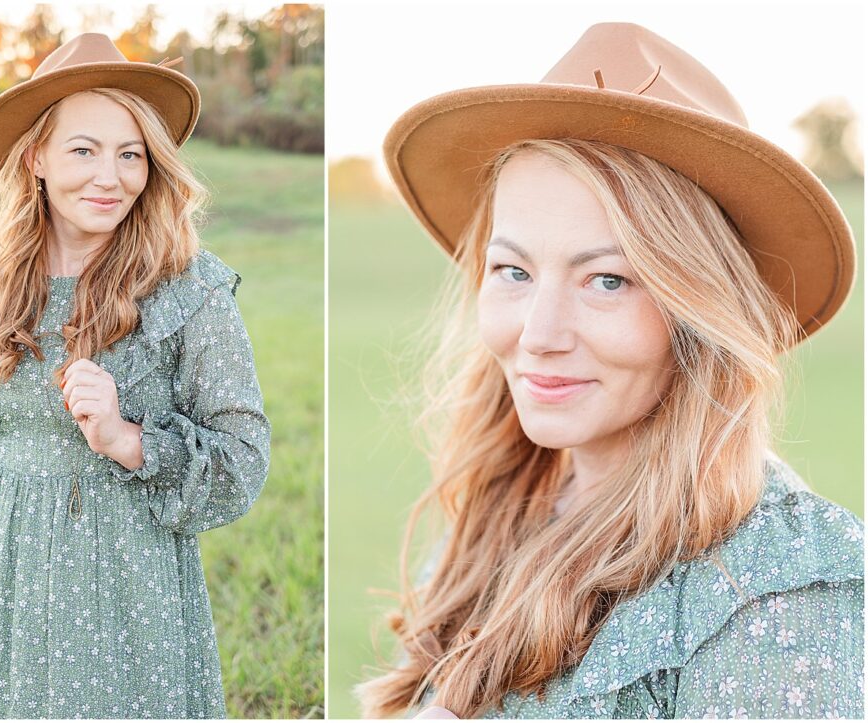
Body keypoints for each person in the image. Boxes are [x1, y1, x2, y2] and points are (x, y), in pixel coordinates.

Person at [358, 22, 863, 719]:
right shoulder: (497, 513)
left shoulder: (777, 588)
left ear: (700, 308)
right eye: (513, 270)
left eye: (607, 280)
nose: (538, 335)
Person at [0, 33, 271, 718]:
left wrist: (128, 437)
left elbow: (244, 460)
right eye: (85, 150)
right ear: (37, 157)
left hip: (130, 588)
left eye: (130, 154)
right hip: (5, 585)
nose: (111, 177)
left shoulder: (186, 290)